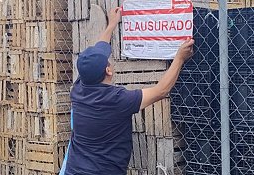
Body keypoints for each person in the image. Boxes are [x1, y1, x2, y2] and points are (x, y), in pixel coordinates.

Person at [60, 7, 194, 175]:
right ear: (108, 71)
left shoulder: (79, 88)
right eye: (108, 60)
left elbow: (99, 49)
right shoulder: (117, 100)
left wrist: (112, 24)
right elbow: (161, 90)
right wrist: (179, 58)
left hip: (74, 170)